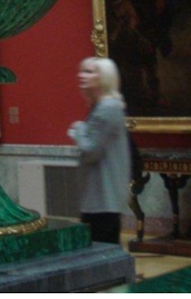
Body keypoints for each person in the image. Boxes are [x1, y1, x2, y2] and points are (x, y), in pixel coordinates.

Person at [67, 57, 131, 244]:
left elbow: (90, 151)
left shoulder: (107, 108)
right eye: (81, 71)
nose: (81, 75)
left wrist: (78, 129)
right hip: (99, 198)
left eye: (88, 72)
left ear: (104, 77)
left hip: (103, 198)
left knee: (101, 250)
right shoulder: (102, 107)